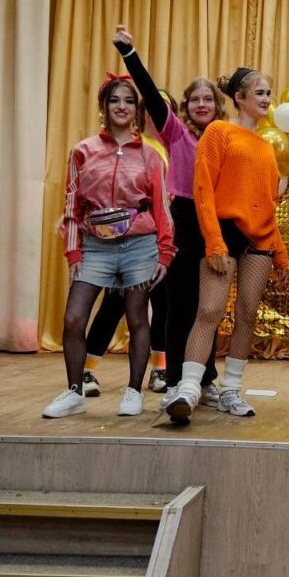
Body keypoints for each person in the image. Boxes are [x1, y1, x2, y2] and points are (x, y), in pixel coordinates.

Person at [162, 67, 289, 425]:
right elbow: (202, 190)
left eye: (269, 93)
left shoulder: (266, 147)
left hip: (259, 240)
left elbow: (268, 204)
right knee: (209, 311)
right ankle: (188, 388)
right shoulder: (218, 132)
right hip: (225, 234)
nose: (266, 99)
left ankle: (231, 389)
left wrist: (280, 253)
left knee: (247, 313)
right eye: (260, 93)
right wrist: (214, 241)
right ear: (240, 98)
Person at [43, 74, 175, 418]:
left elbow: (161, 208)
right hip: (95, 247)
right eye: (115, 100)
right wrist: (73, 251)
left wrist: (165, 252)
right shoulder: (82, 151)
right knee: (73, 318)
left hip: (139, 245)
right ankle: (74, 393)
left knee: (137, 318)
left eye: (129, 101)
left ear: (136, 109)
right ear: (104, 106)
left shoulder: (150, 155)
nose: (122, 106)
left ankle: (134, 392)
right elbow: (72, 206)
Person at [112, 25, 225, 409]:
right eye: (194, 99)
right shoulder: (176, 134)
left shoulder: (226, 137)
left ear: (217, 105)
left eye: (208, 99)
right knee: (181, 305)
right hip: (184, 220)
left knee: (210, 307)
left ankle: (204, 378)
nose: (201, 104)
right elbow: (148, 92)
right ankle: (177, 379)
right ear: (186, 105)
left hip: (216, 223)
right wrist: (129, 54)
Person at [81, 89, 176, 397]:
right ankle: (87, 369)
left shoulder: (175, 147)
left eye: (163, 108)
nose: (156, 113)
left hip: (164, 237)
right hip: (128, 239)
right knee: (115, 304)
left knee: (163, 304)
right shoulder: (133, 147)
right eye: (151, 107)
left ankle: (160, 368)